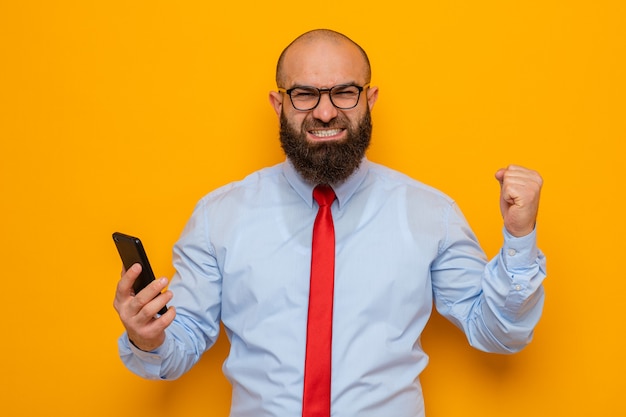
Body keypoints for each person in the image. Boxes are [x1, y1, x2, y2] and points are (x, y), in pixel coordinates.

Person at [113, 29, 546, 417]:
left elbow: (497, 333)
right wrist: (148, 339)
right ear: (278, 103)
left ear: (370, 99)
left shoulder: (430, 213)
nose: (324, 113)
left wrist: (519, 237)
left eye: (344, 92)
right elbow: (180, 344)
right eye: (304, 94)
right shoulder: (218, 216)